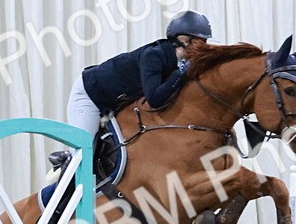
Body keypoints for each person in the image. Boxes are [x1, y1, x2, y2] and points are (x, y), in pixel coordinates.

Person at [66, 10, 213, 140]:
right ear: (185, 41)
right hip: (90, 94)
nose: (204, 47)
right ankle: (69, 164)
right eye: (201, 42)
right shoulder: (153, 56)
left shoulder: (178, 61)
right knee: (84, 150)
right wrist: (181, 72)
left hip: (114, 103)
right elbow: (155, 99)